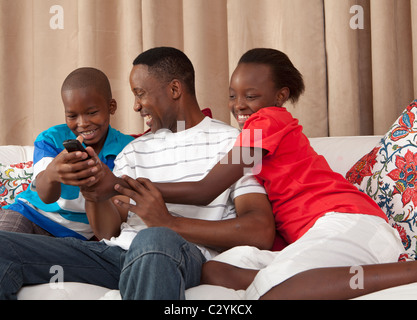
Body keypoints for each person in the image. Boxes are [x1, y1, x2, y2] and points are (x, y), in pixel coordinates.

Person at [0, 47, 275, 300]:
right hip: (115, 255)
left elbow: (260, 231)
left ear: (175, 89)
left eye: (140, 93)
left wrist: (168, 224)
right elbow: (108, 230)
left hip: (177, 254)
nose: (135, 106)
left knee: (153, 238)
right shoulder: (134, 149)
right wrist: (94, 190)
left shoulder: (236, 144)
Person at [148, 48, 417, 300]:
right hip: (315, 238)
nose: (239, 105)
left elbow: (205, 190)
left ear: (280, 96)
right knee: (214, 270)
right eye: (232, 96)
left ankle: (409, 271)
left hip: (350, 224)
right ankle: (295, 279)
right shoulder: (255, 136)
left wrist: (134, 187)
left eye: (250, 96)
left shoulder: (267, 122)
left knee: (275, 291)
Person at [0, 68, 134, 240]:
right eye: (72, 115)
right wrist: (52, 174)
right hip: (29, 215)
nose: (83, 123)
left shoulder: (128, 148)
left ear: (111, 107)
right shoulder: (52, 138)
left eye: (92, 113)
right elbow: (46, 196)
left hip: (76, 236)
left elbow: (114, 222)